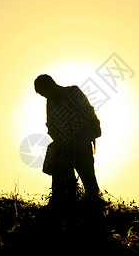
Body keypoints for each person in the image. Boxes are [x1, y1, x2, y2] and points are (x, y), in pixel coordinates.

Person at [34, 74, 101, 209]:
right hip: (65, 150)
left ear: (51, 86)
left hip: (82, 145)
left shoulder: (73, 92)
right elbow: (51, 125)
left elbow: (90, 113)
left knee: (89, 182)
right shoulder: (50, 102)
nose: (45, 97)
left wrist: (93, 133)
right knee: (65, 187)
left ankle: (96, 211)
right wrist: (59, 141)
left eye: (45, 93)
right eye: (43, 95)